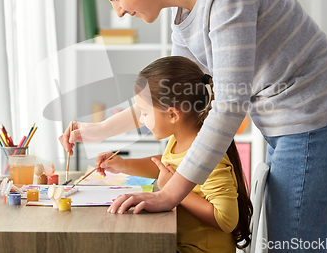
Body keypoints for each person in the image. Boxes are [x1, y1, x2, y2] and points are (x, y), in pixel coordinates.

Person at [59, 0, 327, 250]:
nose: (118, 11)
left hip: (318, 123)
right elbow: (170, 96)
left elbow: (229, 107)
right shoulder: (185, 11)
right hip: (294, 125)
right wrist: (98, 130)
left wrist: (169, 194)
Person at [96, 56, 252, 252]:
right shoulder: (178, 138)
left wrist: (172, 190)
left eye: (144, 112)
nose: (142, 120)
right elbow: (169, 168)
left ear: (172, 115)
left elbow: (227, 220)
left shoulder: (211, 157)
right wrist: (124, 165)